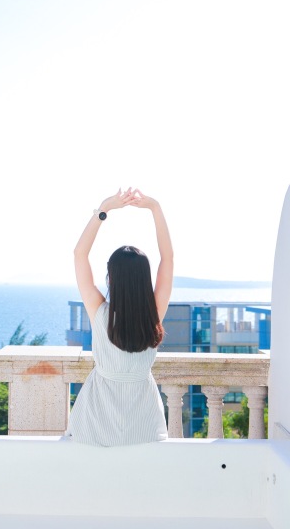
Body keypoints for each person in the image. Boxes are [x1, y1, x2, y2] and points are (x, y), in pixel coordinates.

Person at [66, 187, 174, 446]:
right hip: (144, 423)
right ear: (144, 278)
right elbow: (168, 257)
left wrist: (104, 208)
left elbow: (79, 253)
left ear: (111, 277)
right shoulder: (153, 314)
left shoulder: (99, 312)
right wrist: (154, 208)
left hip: (96, 422)